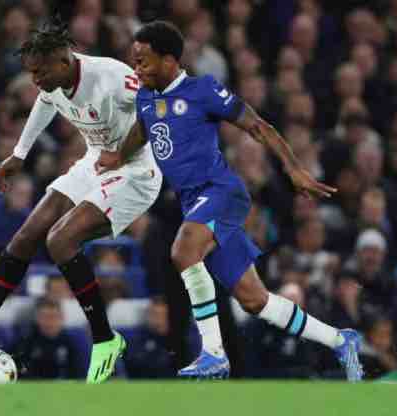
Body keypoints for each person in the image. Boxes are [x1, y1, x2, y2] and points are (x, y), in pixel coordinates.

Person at [96, 21, 362, 381]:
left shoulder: (202, 90)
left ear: (170, 60)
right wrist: (117, 156)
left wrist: (294, 170)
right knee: (254, 300)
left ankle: (214, 354)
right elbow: (142, 131)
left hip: (221, 191)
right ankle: (340, 340)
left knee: (183, 252)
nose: (137, 69)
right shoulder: (146, 97)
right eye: (134, 61)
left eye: (143, 61)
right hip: (194, 202)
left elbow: (258, 126)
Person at [0, 20, 163, 384]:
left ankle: (105, 338)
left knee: (59, 240)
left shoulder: (111, 76)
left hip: (136, 172)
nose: (35, 80)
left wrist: (121, 153)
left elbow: (154, 110)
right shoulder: (52, 83)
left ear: (64, 60)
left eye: (40, 72)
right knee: (26, 236)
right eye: (31, 73)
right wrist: (20, 153)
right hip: (96, 160)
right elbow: (45, 102)